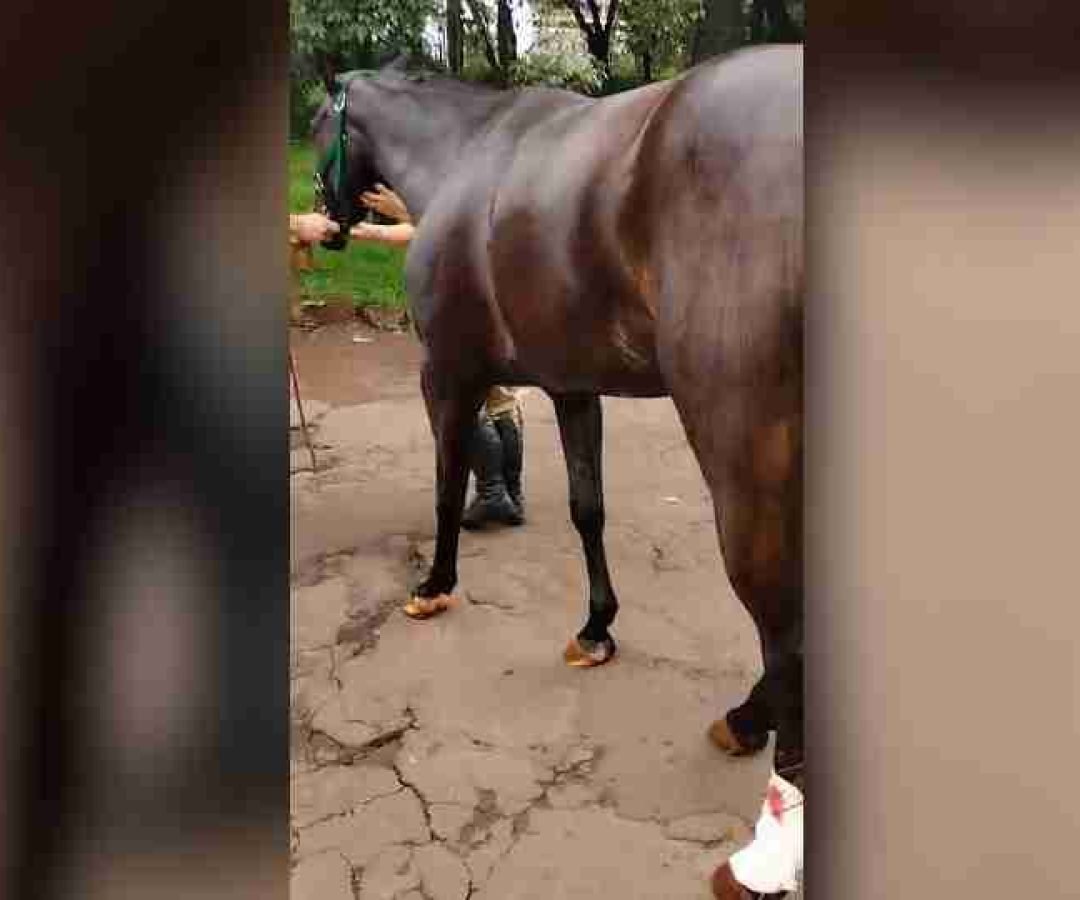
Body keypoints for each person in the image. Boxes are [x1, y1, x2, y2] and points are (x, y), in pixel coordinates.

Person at [351, 184, 526, 530]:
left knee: (461, 398)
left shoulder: (448, 171)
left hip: (462, 293)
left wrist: (390, 217)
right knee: (499, 398)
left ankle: (494, 493)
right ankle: (510, 495)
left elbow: (441, 224)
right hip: (492, 291)